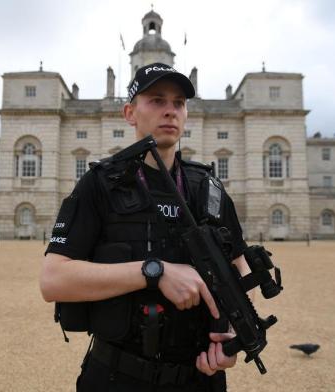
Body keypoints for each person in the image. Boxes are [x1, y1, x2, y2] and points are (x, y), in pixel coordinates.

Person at [40, 62, 251, 391]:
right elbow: (52, 281)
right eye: (156, 100)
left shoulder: (208, 189)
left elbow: (239, 268)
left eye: (178, 103)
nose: (170, 111)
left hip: (200, 379)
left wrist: (233, 335)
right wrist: (156, 271)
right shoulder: (100, 184)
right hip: (116, 377)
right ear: (129, 112)